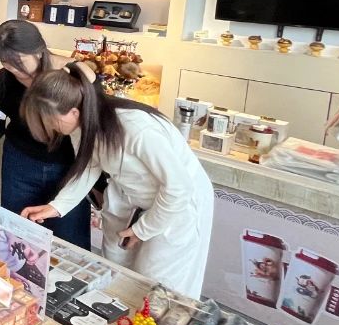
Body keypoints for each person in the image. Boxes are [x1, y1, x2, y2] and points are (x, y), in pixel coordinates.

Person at [19, 64, 215, 298]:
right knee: (118, 273)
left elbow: (179, 187)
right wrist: (56, 206)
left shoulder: (137, 128)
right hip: (133, 199)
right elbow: (88, 166)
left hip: (178, 205)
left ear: (73, 112)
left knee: (159, 285)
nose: (50, 127)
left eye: (51, 120)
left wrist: (143, 230)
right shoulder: (79, 125)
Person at [0, 21, 87, 249]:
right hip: (20, 164)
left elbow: (92, 126)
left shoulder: (69, 76)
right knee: (17, 238)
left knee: (69, 241)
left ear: (39, 51)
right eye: (6, 63)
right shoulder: (4, 79)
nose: (14, 70)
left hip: (68, 167)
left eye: (19, 63)